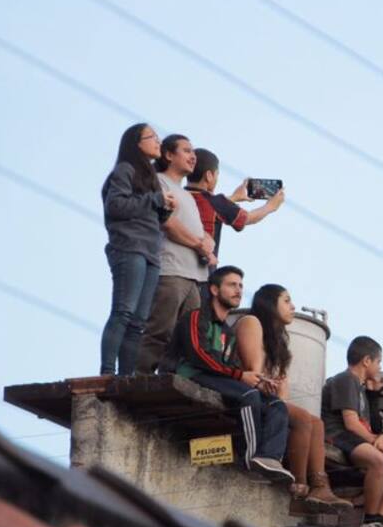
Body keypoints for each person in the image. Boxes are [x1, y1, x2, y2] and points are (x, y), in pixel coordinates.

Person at [170, 266, 293, 483]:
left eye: (241, 286)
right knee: (248, 396)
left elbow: (225, 366)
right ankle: (251, 459)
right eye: (232, 285)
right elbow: (199, 356)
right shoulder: (197, 317)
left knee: (276, 404)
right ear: (215, 290)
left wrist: (259, 381)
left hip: (217, 377)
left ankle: (269, 458)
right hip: (191, 373)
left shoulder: (227, 330)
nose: (238, 290)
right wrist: (240, 377)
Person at [235, 284, 352, 511]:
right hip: (244, 392)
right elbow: (253, 369)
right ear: (270, 304)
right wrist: (270, 383)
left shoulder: (280, 339)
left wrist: (277, 388)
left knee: (316, 422)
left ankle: (320, 486)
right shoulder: (252, 323)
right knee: (303, 419)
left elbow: (281, 389)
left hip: (267, 398)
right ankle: (299, 487)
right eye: (286, 301)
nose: (293, 307)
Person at [99, 123, 176, 375]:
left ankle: (126, 376)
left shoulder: (150, 176)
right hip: (130, 248)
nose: (158, 141)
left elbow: (150, 216)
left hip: (150, 252)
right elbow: (116, 206)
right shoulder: (125, 169)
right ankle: (108, 372)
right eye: (152, 137)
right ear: (136, 143)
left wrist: (164, 208)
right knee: (123, 312)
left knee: (138, 322)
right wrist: (155, 200)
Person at [136, 134, 216, 374]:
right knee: (159, 330)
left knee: (187, 340)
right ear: (169, 155)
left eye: (193, 151)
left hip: (195, 277)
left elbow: (200, 232)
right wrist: (199, 245)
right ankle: (139, 379)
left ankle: (170, 380)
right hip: (171, 270)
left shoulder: (186, 196)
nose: (193, 156)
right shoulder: (158, 182)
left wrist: (208, 244)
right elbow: (167, 223)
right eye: (186, 150)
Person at [322, 336, 383, 527]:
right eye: (378, 362)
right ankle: (371, 517)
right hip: (337, 435)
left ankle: (379, 520)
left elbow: (372, 426)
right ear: (366, 361)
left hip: (356, 439)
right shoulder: (346, 379)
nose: (380, 367)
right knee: (379, 461)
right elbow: (350, 423)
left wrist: (374, 396)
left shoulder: (361, 388)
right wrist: (375, 440)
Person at [186, 148, 285, 260]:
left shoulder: (179, 194)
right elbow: (248, 218)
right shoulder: (217, 202)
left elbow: (205, 205)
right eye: (217, 174)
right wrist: (270, 206)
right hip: (201, 269)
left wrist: (234, 197)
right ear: (209, 176)